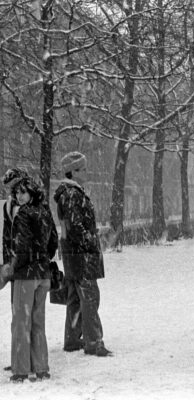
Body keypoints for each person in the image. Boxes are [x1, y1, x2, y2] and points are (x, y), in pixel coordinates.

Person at [53, 151, 111, 357]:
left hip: (73, 255)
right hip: (81, 255)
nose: (86, 172)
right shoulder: (73, 195)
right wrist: (91, 241)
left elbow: (71, 227)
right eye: (83, 169)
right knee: (89, 297)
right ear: (73, 172)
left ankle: (72, 339)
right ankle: (93, 342)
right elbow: (77, 227)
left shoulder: (69, 194)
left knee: (76, 298)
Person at [6, 177, 58, 382]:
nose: (19, 196)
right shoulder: (45, 212)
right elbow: (53, 241)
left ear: (31, 194)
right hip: (43, 274)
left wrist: (14, 268)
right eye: (16, 193)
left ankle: (20, 370)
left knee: (21, 322)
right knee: (38, 322)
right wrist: (43, 258)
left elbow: (20, 247)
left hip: (26, 276)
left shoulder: (23, 215)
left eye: (23, 193)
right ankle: (41, 367)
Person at [1, 168, 29, 372]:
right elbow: (6, 235)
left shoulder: (32, 207)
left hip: (27, 268)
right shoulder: (9, 206)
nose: (13, 193)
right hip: (13, 265)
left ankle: (25, 359)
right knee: (16, 312)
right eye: (10, 189)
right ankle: (18, 356)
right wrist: (6, 262)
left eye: (15, 188)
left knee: (25, 315)